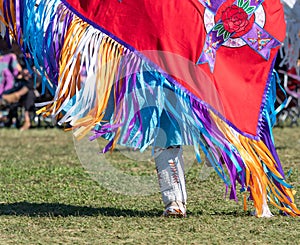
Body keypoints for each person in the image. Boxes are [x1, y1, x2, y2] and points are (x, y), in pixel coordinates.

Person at [1, 0, 299, 218]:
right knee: (166, 127)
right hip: (164, 54)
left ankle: (259, 198)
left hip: (204, 53)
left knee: (226, 124)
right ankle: (174, 202)